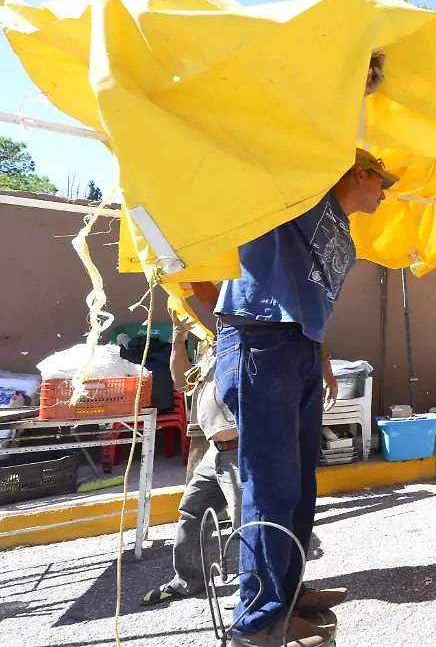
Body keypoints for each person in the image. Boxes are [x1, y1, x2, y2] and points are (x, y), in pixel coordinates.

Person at [216, 148, 397, 647]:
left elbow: (306, 296)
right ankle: (258, 623)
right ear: (358, 172)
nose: (385, 194)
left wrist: (320, 353)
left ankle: (288, 595)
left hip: (297, 343)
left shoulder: (341, 226)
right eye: (383, 182)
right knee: (271, 487)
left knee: (297, 485)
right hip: (260, 336)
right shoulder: (301, 189)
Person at [141, 298, 242, 607]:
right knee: (192, 511)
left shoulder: (246, 342)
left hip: (242, 451)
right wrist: (179, 337)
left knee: (247, 522)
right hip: (216, 451)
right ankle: (188, 580)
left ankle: (256, 591)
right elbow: (182, 382)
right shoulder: (214, 347)